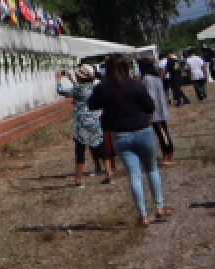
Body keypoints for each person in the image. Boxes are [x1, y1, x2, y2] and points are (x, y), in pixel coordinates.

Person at [88, 54, 170, 224]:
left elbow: (92, 105)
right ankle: (160, 207)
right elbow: (150, 106)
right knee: (152, 169)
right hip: (142, 130)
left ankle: (143, 215)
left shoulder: (103, 87)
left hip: (120, 134)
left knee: (134, 176)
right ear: (126, 67)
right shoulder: (135, 85)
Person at [57, 65, 112, 187]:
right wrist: (72, 80)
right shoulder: (97, 87)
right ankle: (109, 173)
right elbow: (81, 88)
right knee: (101, 146)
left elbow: (62, 91)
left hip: (82, 122)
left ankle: (79, 180)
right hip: (96, 120)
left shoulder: (79, 90)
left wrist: (59, 79)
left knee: (80, 150)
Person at [139, 55, 175, 164]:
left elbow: (151, 96)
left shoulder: (147, 79)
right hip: (161, 109)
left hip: (155, 112)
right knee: (163, 133)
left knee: (162, 134)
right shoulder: (156, 77)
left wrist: (149, 111)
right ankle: (168, 155)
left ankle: (168, 156)